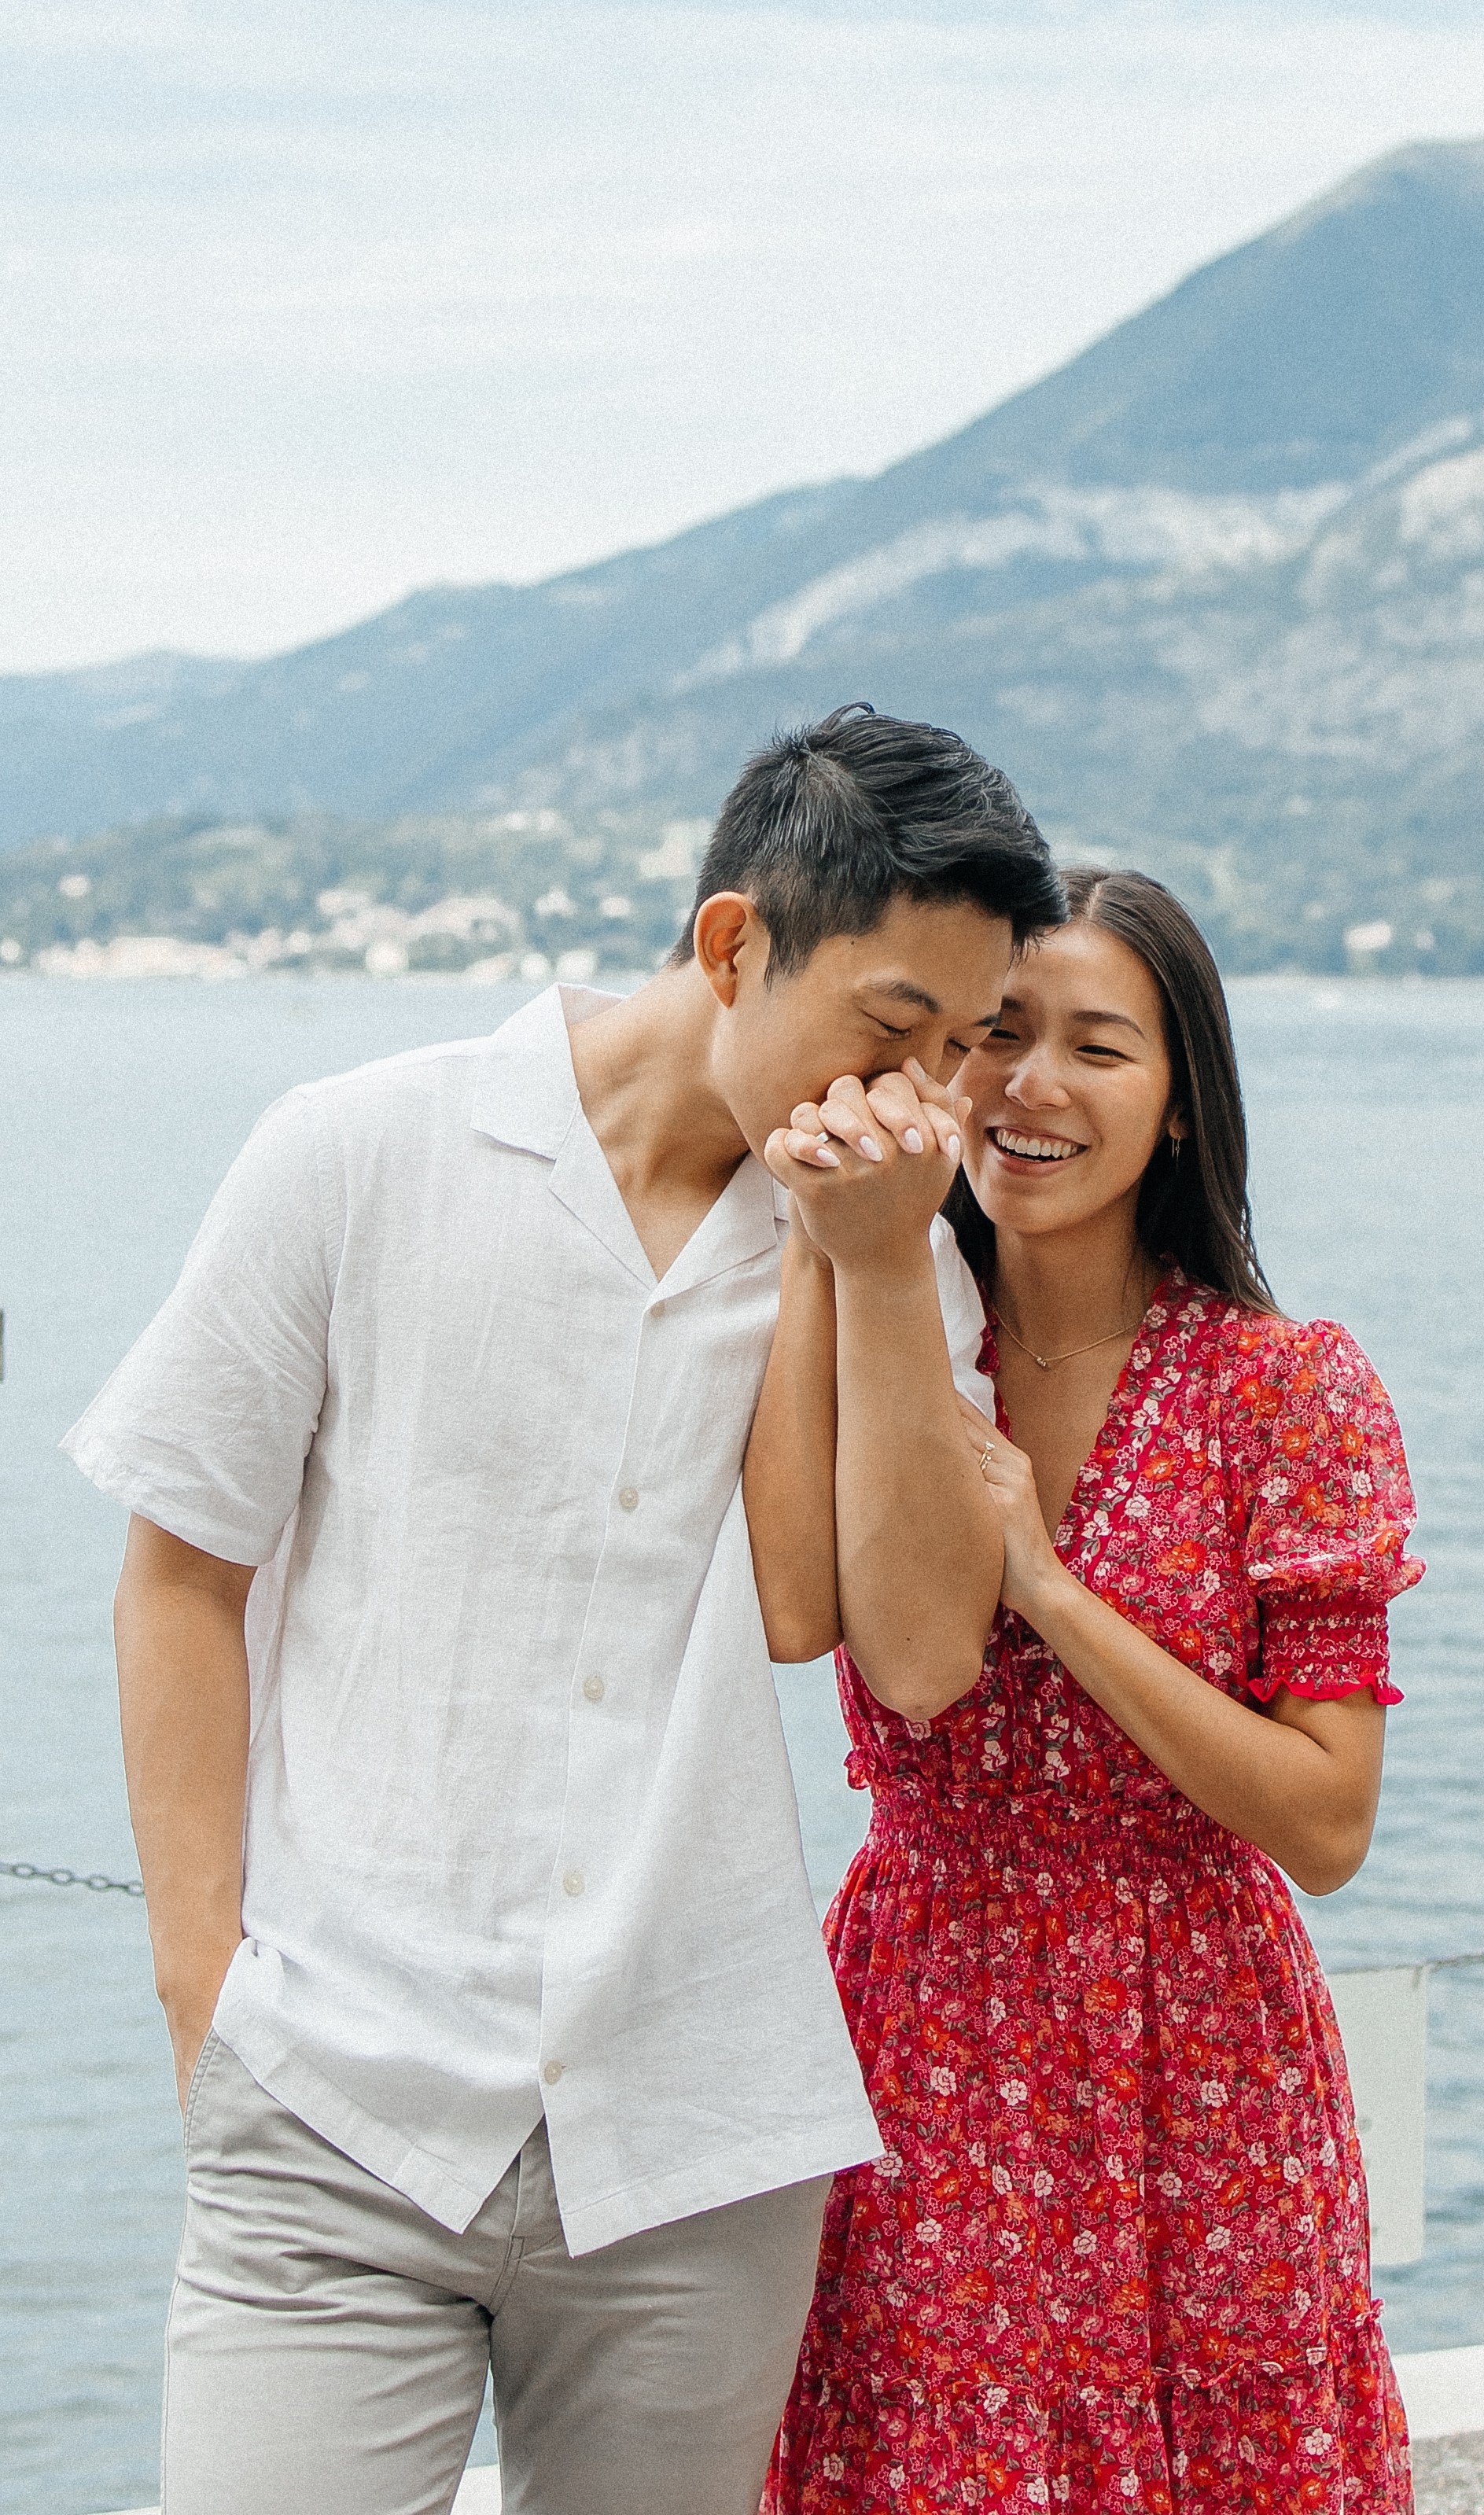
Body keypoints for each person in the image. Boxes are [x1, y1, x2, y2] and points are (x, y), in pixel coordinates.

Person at [62, 704, 1062, 2515]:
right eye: (894, 1030)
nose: (926, 1094)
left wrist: (868, 1265)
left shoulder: (885, 1242)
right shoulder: (359, 1149)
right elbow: (177, 1575)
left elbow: (908, 1659)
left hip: (695, 2136)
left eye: (965, 1047)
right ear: (735, 943)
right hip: (334, 2104)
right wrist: (200, 1991)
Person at [752, 868, 1423, 2515]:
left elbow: (1326, 1823)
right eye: (1001, 1036)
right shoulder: (893, 1317)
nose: (1033, 1086)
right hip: (926, 2022)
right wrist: (830, 1251)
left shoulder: (1286, 1390)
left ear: (1181, 1105)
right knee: (926, 2458)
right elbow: (787, 1604)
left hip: (1205, 2055)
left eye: (1098, 1046)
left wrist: (1050, 1588)